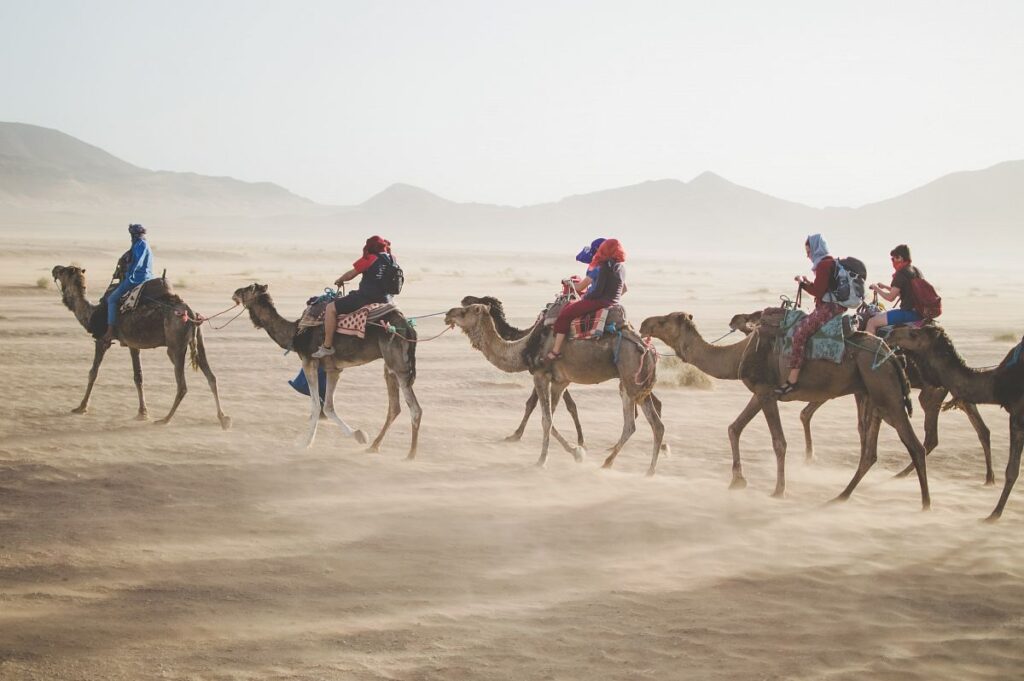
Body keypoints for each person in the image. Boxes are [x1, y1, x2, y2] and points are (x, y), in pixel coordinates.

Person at [776, 234, 845, 396]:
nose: (807, 255)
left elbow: (818, 291)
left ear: (815, 249)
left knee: (799, 334)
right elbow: (822, 287)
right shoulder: (829, 262)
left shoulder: (823, 265)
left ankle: (792, 381)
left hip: (828, 308)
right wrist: (806, 282)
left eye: (808, 251)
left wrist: (802, 284)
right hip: (832, 306)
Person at [312, 236, 397, 358]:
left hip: (366, 297)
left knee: (331, 308)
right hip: (387, 299)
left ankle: (327, 346)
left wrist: (340, 280)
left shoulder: (371, 258)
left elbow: (351, 274)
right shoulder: (393, 259)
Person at [545, 238, 626, 362]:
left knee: (565, 314)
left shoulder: (603, 266)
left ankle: (555, 351)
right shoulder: (621, 267)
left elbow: (597, 291)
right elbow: (623, 289)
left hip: (599, 301)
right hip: (612, 302)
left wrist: (584, 299)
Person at [103, 223, 154, 345]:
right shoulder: (141, 244)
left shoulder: (140, 244)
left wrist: (128, 274)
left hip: (136, 279)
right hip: (144, 277)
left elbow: (138, 262)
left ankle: (110, 331)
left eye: (131, 234)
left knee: (112, 299)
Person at [865, 244, 923, 335]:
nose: (893, 262)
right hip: (919, 313)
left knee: (871, 322)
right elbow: (903, 293)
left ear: (900, 258)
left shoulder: (901, 273)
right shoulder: (915, 271)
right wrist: (885, 287)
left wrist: (876, 288)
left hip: (908, 313)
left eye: (893, 259)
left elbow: (890, 298)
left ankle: (869, 348)